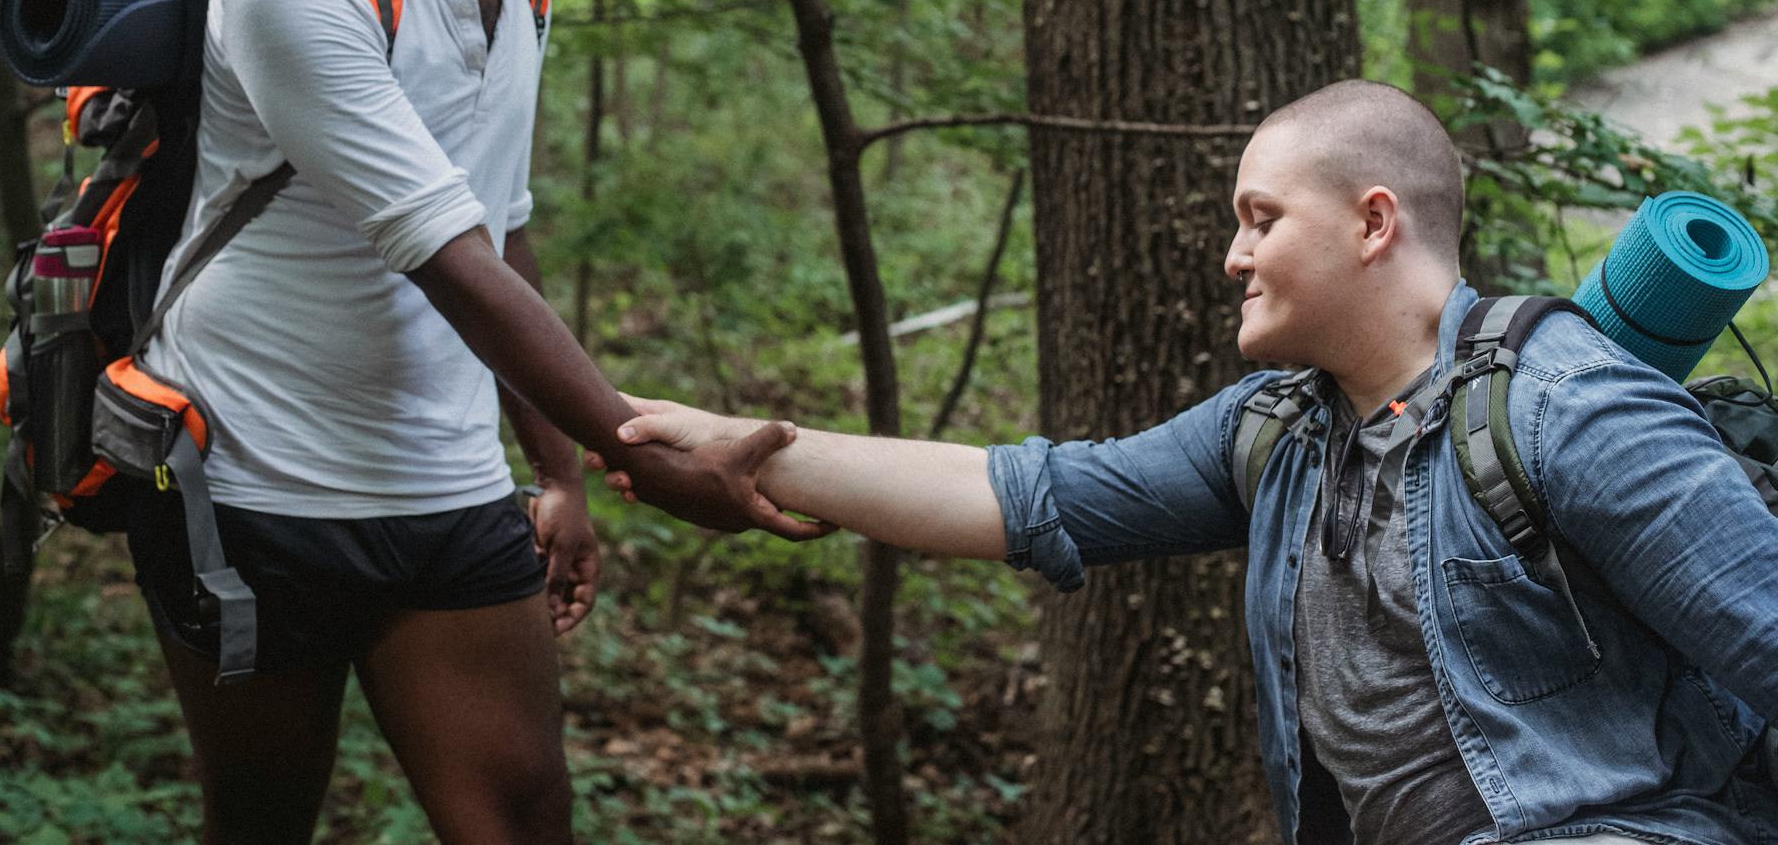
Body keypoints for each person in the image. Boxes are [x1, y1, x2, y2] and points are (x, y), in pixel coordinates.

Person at [597, 79, 1778, 845]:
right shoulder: (1278, 431)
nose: (1232, 252)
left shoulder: (1572, 408)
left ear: (1375, 223)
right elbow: (1018, 491)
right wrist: (753, 452)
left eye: (1261, 217)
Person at [127, 0, 821, 845]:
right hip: (254, 483)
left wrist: (556, 468)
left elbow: (498, 218)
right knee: (261, 818)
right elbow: (443, 252)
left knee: (517, 817)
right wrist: (637, 448)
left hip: (446, 488)